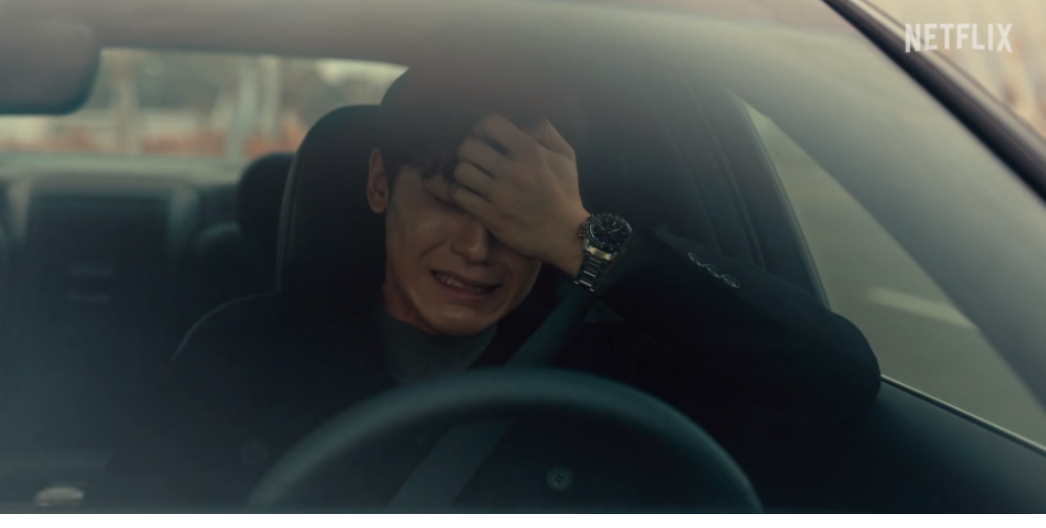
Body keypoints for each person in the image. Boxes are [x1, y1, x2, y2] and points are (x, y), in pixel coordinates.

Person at [98, 66, 880, 510]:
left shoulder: (616, 368)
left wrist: (583, 240)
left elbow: (835, 379)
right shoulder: (242, 355)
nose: (477, 249)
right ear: (380, 185)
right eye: (449, 201)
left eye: (515, 219)